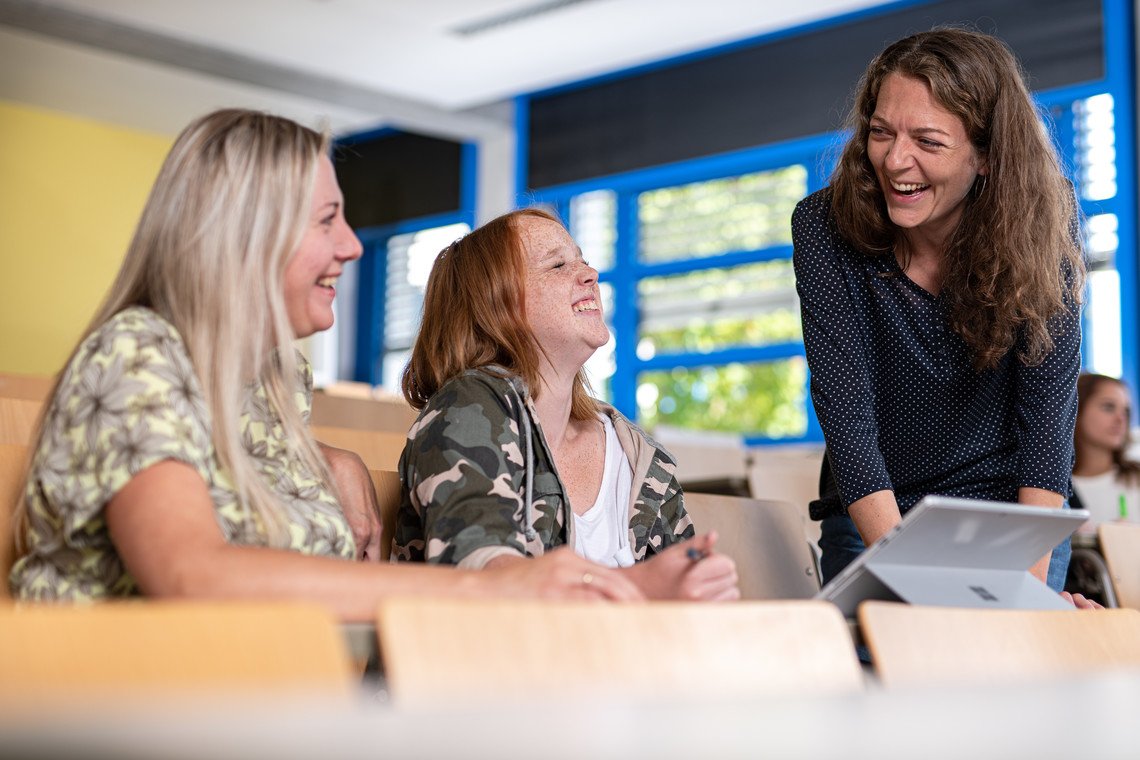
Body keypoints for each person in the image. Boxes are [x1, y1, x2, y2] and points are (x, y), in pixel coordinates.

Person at [9, 109, 646, 618]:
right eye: (327, 220)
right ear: (244, 233)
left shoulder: (276, 383)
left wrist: (321, 453)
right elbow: (191, 575)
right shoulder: (135, 353)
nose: (349, 245)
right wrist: (490, 589)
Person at [791, 28, 1097, 607]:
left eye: (928, 142)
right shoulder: (824, 227)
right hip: (874, 509)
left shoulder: (1041, 232)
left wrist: (1020, 600)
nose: (895, 161)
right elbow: (846, 415)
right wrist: (910, 582)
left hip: (1007, 518)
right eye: (881, 132)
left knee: (1008, 663)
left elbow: (1047, 425)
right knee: (889, 679)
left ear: (986, 156)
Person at [393, 208, 739, 601]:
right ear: (494, 304)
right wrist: (636, 589)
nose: (590, 275)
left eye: (584, 260)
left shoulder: (635, 451)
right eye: (557, 265)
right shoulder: (466, 409)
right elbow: (482, 580)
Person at [1071, 373, 1140, 534]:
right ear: (1075, 409)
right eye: (1108, 407)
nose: (1121, 419)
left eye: (1126, 411)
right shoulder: (1053, 485)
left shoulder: (1135, 480)